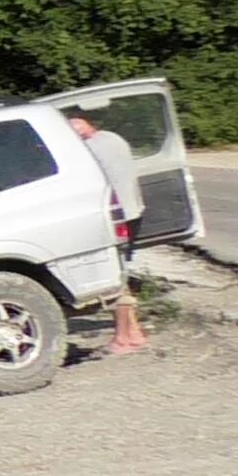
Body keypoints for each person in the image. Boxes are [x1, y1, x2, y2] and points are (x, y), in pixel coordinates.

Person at [71, 114, 149, 353]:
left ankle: (122, 338)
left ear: (80, 134)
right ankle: (134, 333)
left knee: (116, 279)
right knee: (122, 273)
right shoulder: (114, 138)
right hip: (133, 212)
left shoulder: (87, 150)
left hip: (112, 218)